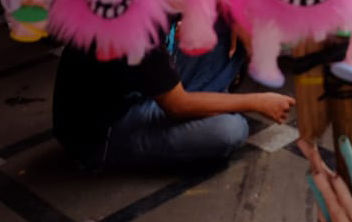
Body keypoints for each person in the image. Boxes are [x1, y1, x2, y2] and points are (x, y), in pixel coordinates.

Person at [53, 16, 295, 169]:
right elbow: (177, 105)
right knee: (231, 130)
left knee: (226, 21)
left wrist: (236, 18)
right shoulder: (137, 26)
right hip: (102, 134)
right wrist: (257, 102)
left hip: (144, 91)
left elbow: (217, 0)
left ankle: (209, 102)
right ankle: (210, 105)